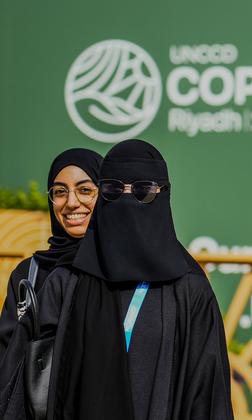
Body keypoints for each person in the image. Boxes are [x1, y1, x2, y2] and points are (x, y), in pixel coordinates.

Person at [38, 139, 233, 420]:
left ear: (163, 194)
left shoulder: (189, 289)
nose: (127, 199)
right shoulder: (68, 280)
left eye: (143, 191)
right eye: (113, 189)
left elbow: (208, 397)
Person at [0, 148, 102, 356]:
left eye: (85, 190)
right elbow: (7, 356)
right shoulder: (28, 273)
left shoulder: (117, 267)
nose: (71, 203)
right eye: (60, 192)